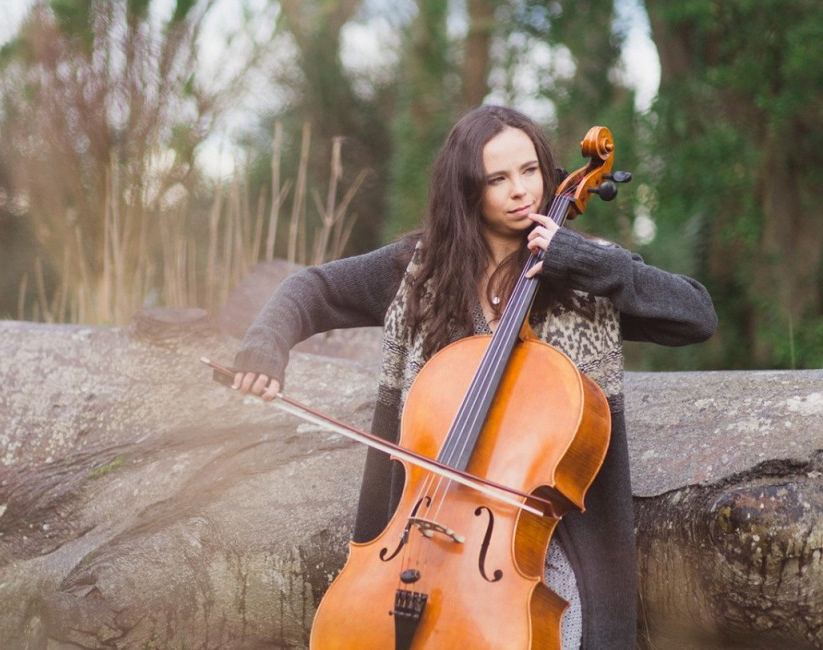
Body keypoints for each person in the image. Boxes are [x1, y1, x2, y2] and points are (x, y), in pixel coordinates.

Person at [229, 105, 717, 649]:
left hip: (548, 552)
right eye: (497, 179)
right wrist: (265, 346)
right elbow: (311, 290)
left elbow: (696, 316)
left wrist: (580, 259)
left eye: (530, 171)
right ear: (467, 191)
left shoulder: (587, 272)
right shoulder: (420, 270)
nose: (521, 192)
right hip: (418, 543)